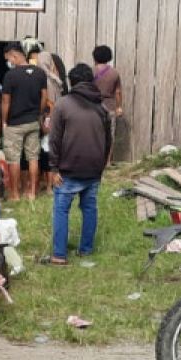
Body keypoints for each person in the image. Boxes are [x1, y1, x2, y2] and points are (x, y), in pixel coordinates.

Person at [47, 64, 112, 265]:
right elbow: (108, 140)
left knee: (61, 209)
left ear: (71, 82)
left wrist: (53, 168)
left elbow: (54, 138)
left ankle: (59, 254)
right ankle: (86, 250)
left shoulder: (63, 104)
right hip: (94, 168)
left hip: (68, 168)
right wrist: (102, 165)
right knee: (89, 208)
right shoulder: (102, 107)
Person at [1, 43, 48, 201]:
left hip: (15, 123)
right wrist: (38, 114)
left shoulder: (10, 76)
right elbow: (44, 97)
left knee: (14, 159)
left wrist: (4, 121)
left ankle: (15, 194)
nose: (9, 62)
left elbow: (6, 101)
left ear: (14, 55)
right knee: (33, 157)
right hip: (33, 121)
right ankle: (32, 193)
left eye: (9, 58)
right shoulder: (40, 73)